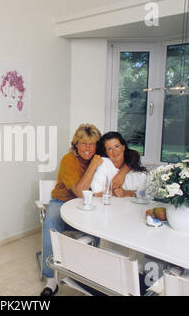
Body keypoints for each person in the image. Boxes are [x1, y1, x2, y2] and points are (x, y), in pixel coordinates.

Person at [40, 124, 130, 296]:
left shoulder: (102, 159)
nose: (87, 149)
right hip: (62, 202)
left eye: (92, 144)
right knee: (50, 222)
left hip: (88, 205)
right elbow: (80, 193)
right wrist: (93, 165)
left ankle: (87, 273)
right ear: (76, 145)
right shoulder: (69, 160)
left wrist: (123, 171)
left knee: (97, 226)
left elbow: (132, 156)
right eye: (83, 144)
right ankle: (51, 278)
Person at [91, 131, 147, 197]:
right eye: (109, 149)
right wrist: (113, 193)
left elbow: (145, 194)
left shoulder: (135, 171)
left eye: (117, 146)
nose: (114, 152)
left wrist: (127, 193)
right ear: (106, 152)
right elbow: (97, 192)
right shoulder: (104, 164)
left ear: (123, 147)